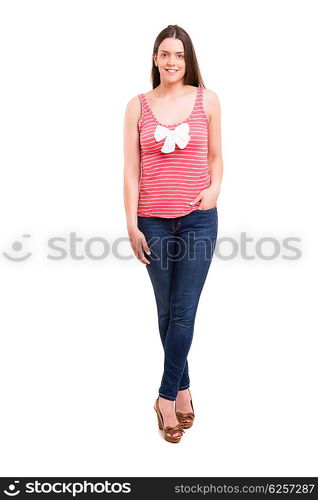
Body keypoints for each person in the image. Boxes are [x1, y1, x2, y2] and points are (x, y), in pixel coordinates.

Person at [123, 24, 223, 443]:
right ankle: (182, 390)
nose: (171, 61)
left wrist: (214, 189)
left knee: (183, 311)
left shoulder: (208, 100)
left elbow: (217, 158)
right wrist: (131, 223)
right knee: (166, 312)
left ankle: (164, 397)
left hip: (199, 219)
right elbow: (131, 170)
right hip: (152, 222)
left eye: (178, 55)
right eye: (164, 54)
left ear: (188, 59)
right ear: (154, 58)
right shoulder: (137, 106)